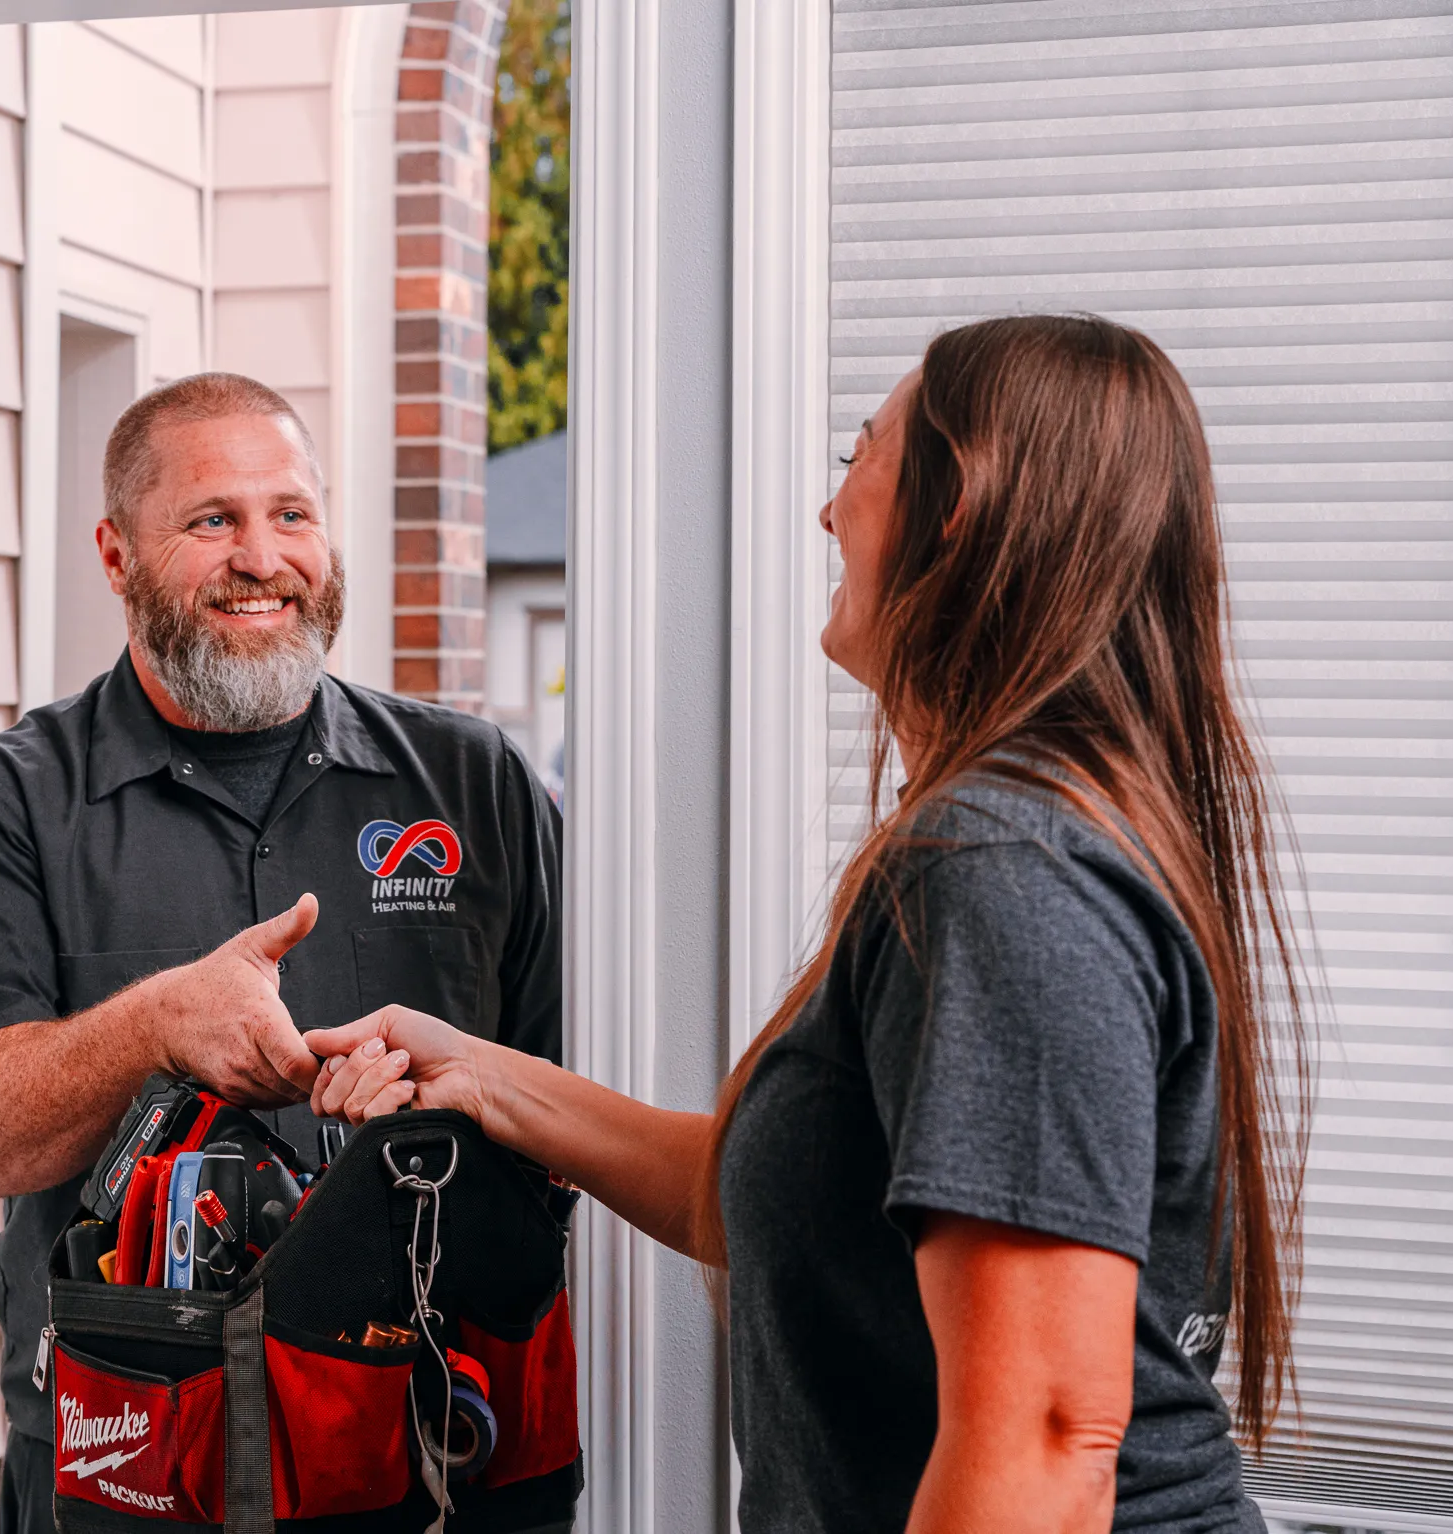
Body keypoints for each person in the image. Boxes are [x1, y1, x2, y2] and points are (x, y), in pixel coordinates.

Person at [307, 315, 1309, 1532]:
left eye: (859, 454)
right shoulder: (1014, 839)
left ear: (961, 501)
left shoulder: (999, 869)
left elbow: (1042, 1450)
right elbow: (753, 1198)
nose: (827, 512)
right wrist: (472, 1072)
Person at [0, 372, 564, 1534]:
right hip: (139, 1468)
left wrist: (445, 1103)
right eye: (213, 521)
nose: (263, 556)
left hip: (442, 1451)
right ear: (114, 556)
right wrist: (155, 1028)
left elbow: (568, 1115)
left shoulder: (473, 786)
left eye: (291, 513)